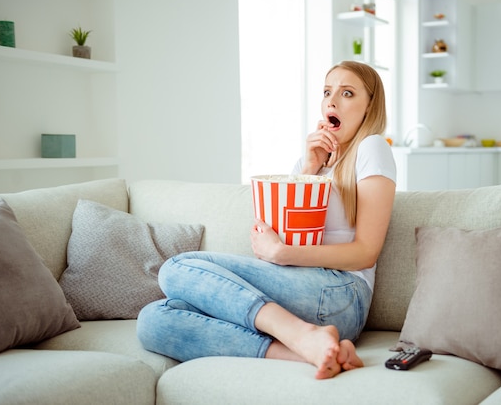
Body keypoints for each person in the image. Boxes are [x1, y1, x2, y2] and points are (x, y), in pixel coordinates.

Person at [137, 60, 397, 379]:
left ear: (370, 106)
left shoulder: (372, 147)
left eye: (347, 93)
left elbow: (366, 251)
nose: (332, 101)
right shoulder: (310, 161)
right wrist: (309, 170)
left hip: (341, 294)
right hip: (295, 287)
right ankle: (310, 350)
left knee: (175, 269)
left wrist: (282, 253)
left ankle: (300, 334)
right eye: (327, 92)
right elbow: (282, 231)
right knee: (153, 320)